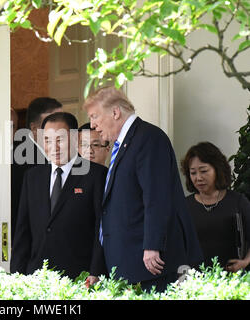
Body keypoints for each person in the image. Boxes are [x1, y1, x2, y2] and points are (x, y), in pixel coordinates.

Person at [83, 86, 203, 292]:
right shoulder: (125, 143)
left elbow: (156, 197)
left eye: (95, 116)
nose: (93, 125)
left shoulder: (148, 138)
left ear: (115, 112)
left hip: (149, 264)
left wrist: (152, 245)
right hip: (129, 262)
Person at [10, 112, 107, 279]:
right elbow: (23, 233)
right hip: (37, 277)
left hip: (80, 277)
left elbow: (102, 228)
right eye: (47, 140)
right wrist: (16, 277)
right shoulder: (32, 177)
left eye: (60, 140)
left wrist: (96, 271)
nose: (53, 147)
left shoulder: (96, 175)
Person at [181, 141, 250, 272]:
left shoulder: (237, 202)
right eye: (193, 173)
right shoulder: (185, 206)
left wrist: (245, 261)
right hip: (195, 281)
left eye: (204, 171)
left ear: (217, 170)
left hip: (230, 280)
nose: (198, 178)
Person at [11, 97, 62, 243]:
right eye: (53, 120)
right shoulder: (16, 159)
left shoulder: (67, 153)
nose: (60, 125)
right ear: (34, 128)